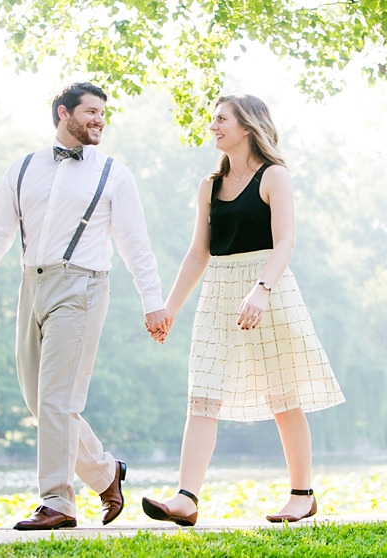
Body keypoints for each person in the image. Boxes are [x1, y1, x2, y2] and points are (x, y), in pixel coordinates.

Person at [0, 82, 171, 530]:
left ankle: (58, 502)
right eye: (91, 111)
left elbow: (136, 245)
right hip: (30, 284)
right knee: (41, 400)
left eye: (102, 114)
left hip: (83, 287)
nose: (99, 120)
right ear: (62, 113)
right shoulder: (23, 169)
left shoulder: (115, 173)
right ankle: (106, 472)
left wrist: (154, 303)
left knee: (57, 397)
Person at [141, 94, 345, 526]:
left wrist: (261, 289)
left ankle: (302, 495)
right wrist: (169, 309)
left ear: (247, 127)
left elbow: (286, 241)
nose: (212, 126)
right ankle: (186, 498)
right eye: (213, 120)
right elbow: (198, 253)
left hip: (267, 288)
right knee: (203, 394)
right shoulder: (208, 187)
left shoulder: (275, 176)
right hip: (219, 292)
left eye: (221, 120)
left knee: (283, 395)